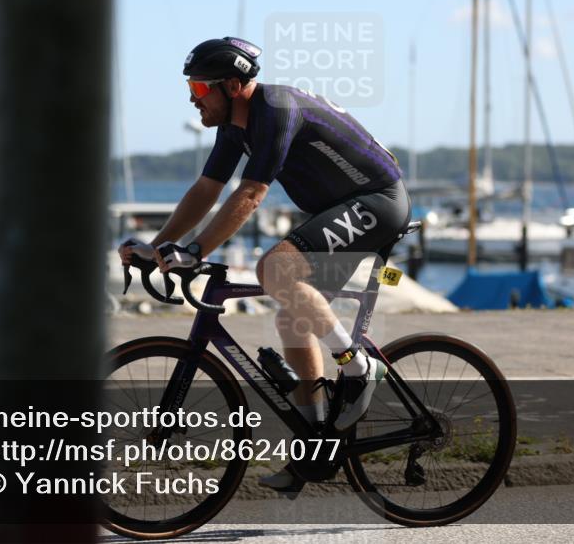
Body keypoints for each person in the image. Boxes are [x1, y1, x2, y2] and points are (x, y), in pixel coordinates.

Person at [119, 36, 411, 493]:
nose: (191, 99)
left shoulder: (275, 109)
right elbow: (206, 190)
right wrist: (157, 247)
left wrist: (197, 251)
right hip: (339, 209)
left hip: (377, 201)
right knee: (291, 317)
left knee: (274, 270)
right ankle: (317, 444)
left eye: (198, 90)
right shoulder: (234, 127)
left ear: (233, 86)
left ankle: (357, 366)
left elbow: (251, 194)